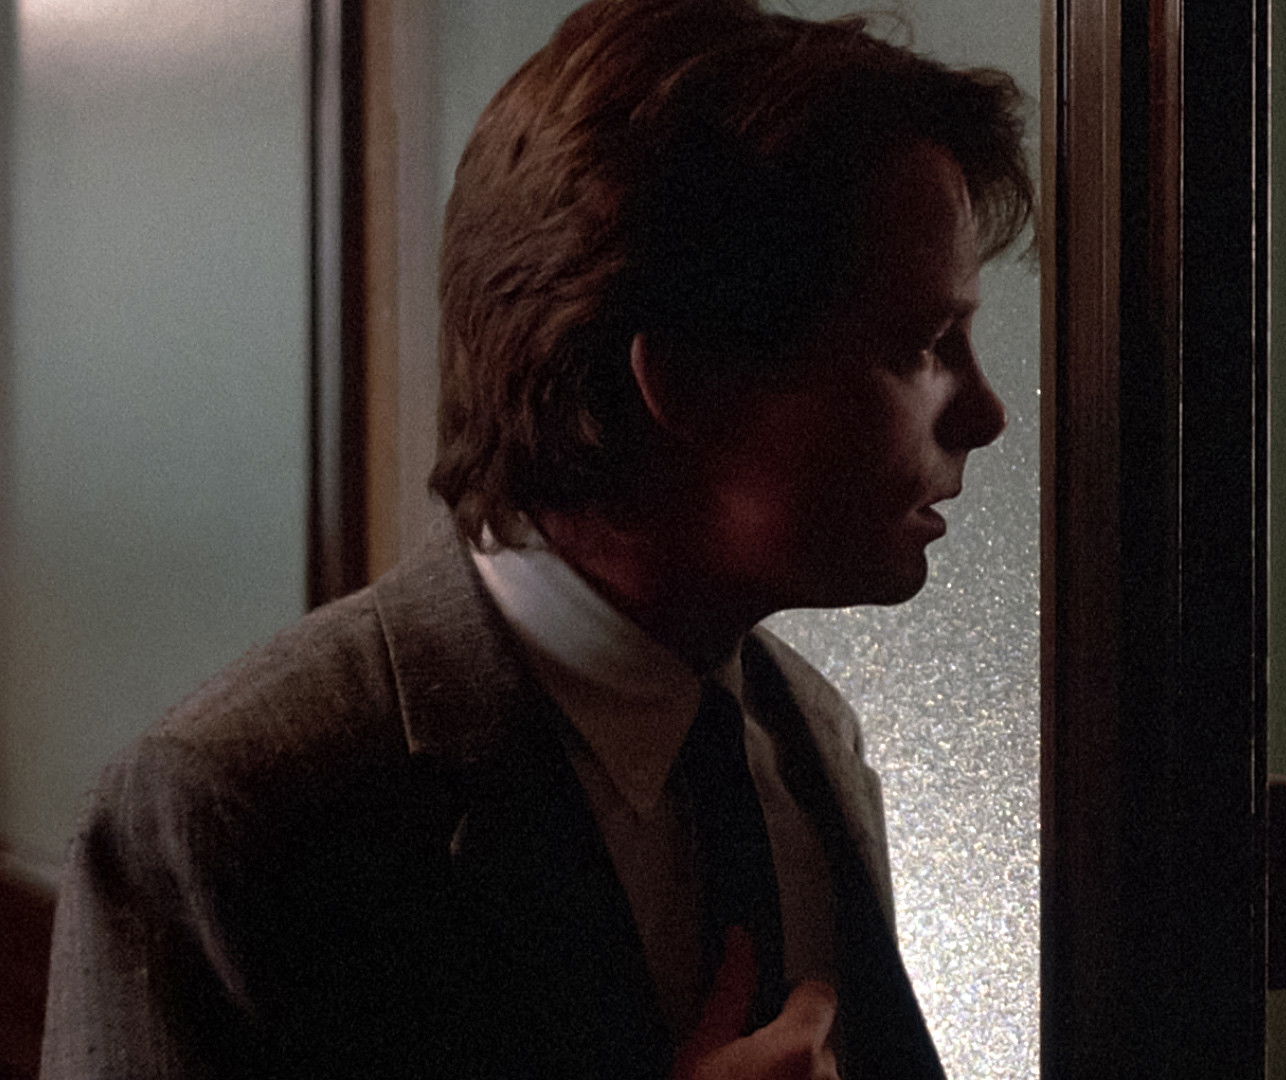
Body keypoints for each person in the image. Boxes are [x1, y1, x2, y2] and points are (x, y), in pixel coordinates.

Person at [37, 1, 1030, 1077]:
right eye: (924, 345)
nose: (985, 414)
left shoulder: (806, 736)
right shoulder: (227, 816)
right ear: (685, 381)